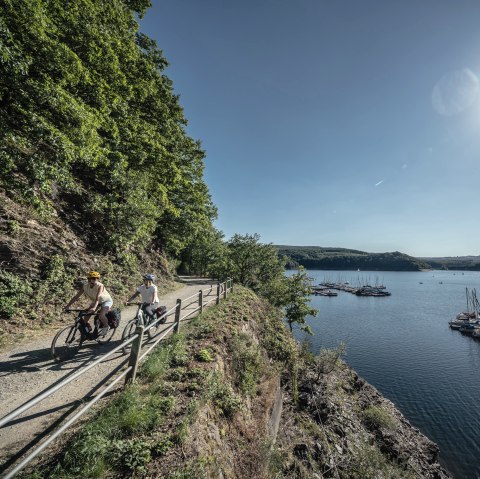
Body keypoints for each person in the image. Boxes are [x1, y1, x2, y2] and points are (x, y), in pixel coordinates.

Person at [64, 271, 113, 336]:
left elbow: (98, 297)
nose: (95, 280)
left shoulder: (100, 285)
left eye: (96, 278)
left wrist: (94, 308)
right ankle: (87, 331)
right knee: (86, 317)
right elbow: (76, 297)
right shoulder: (85, 286)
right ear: (89, 279)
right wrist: (67, 306)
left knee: (101, 315)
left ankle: (106, 326)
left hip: (106, 301)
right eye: (93, 278)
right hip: (96, 301)